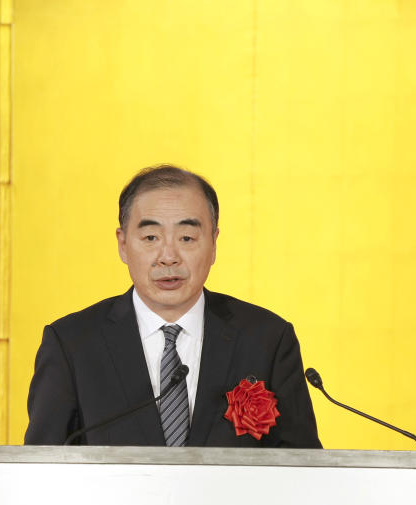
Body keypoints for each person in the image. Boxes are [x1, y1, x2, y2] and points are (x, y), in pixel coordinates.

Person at [25, 165, 321, 448]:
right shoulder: (72, 345)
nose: (168, 257)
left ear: (214, 243)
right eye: (151, 237)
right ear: (123, 244)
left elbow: (302, 469)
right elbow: (41, 471)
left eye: (187, 238)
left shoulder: (266, 340)